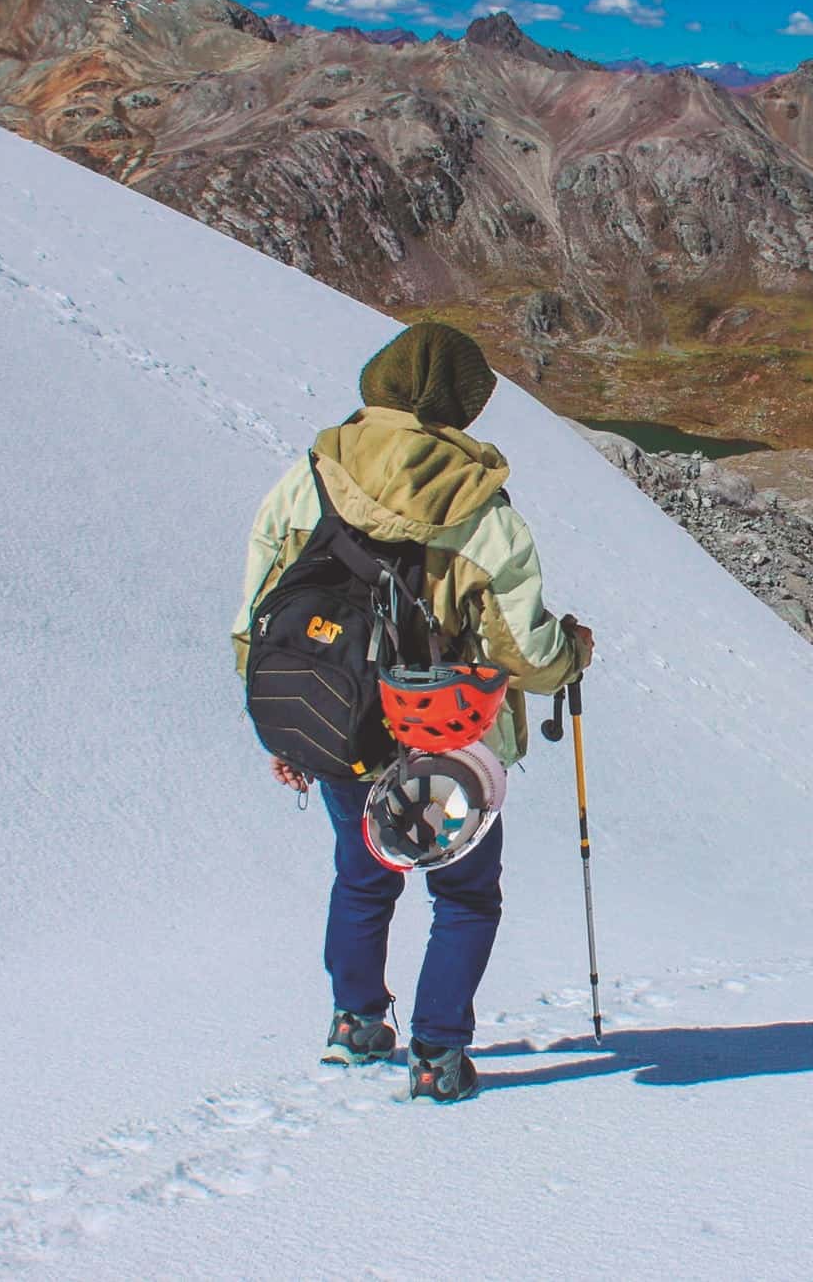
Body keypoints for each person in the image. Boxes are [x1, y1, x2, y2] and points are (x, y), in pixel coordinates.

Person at [233, 322, 593, 1103]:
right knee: (463, 895)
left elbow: (257, 611)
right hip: (448, 741)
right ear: (460, 403)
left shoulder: (309, 477)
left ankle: (356, 1021)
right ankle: (436, 1052)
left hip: (336, 719)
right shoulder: (481, 509)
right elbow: (525, 651)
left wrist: (285, 719)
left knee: (361, 875)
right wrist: (575, 657)